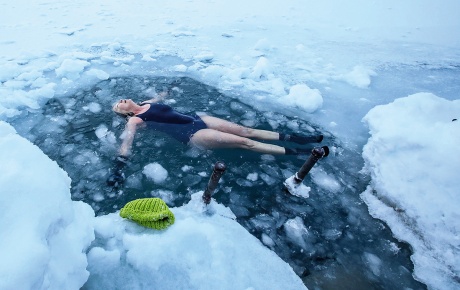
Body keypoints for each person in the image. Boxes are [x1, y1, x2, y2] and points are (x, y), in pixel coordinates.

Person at [107, 89, 325, 186]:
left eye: (120, 100)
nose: (122, 101)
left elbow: (160, 97)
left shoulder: (146, 102)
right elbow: (126, 142)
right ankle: (303, 153)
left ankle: (299, 138)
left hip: (196, 119)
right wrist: (119, 168)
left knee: (245, 130)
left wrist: (170, 89)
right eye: (119, 105)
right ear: (125, 112)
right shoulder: (134, 120)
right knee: (245, 142)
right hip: (191, 133)